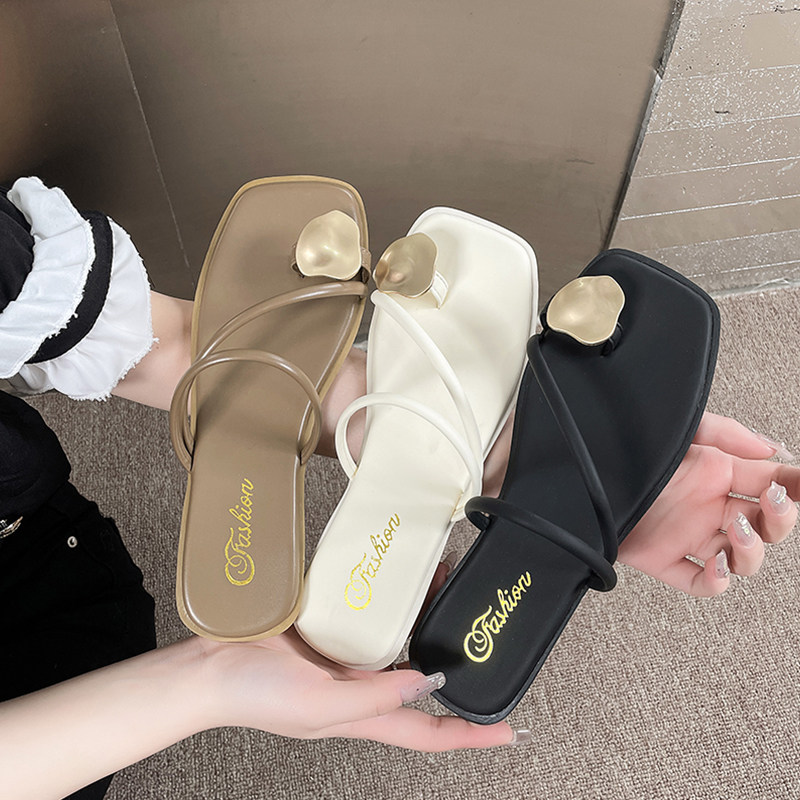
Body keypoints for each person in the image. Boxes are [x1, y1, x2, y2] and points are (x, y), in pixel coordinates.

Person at [0, 177, 797, 800]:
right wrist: (204, 685)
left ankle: (457, 442)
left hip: (50, 614)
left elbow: (158, 352)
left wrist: (479, 446)